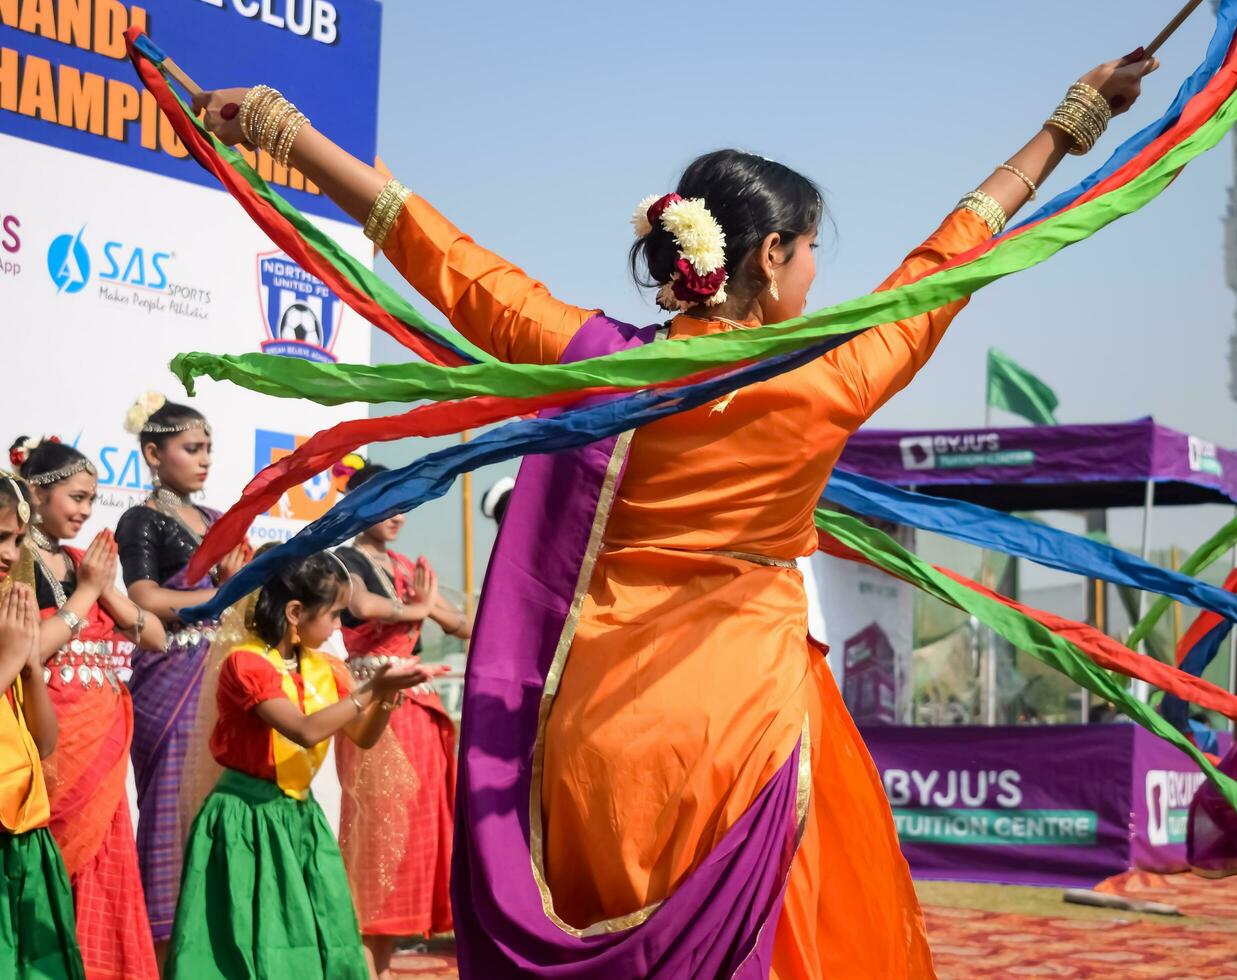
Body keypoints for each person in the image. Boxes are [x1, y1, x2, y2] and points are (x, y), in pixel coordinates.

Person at [192, 53, 1156, 976]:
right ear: (771, 253)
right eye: (813, 249)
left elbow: (438, 251)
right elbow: (954, 254)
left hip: (600, 741)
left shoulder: (596, 357)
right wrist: (1068, 121)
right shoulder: (838, 373)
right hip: (748, 730)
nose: (817, 272)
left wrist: (284, 133)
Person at [165, 552, 446, 980]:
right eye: (333, 615)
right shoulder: (246, 665)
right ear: (295, 612)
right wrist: (371, 688)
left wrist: (388, 694)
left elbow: (364, 735)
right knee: (248, 937)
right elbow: (305, 730)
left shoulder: (323, 668)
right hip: (246, 821)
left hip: (300, 818)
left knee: (321, 931)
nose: (338, 628)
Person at [15, 440, 164, 980]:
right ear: (35, 492)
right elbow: (24, 650)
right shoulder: (17, 562)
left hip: (100, 747)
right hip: (53, 741)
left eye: (91, 500)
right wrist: (86, 598)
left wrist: (106, 589)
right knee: (55, 864)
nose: (83, 510)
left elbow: (157, 638)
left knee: (104, 866)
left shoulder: (81, 562)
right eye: (75, 497)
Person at [113, 393, 250, 957]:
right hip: (169, 673)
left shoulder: (218, 521)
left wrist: (243, 578)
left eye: (209, 449)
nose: (205, 459)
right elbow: (142, 595)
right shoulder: (141, 519)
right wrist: (222, 591)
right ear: (152, 453)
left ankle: (220, 943)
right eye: (191, 448)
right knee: (172, 806)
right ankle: (166, 952)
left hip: (221, 671)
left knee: (225, 800)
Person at [333, 462, 467, 976]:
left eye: (404, 502)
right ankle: (364, 967)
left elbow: (456, 622)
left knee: (412, 843)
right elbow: (364, 605)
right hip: (376, 711)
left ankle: (383, 968)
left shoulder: (410, 568)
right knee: (377, 840)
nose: (398, 514)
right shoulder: (343, 561)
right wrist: (418, 610)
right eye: (388, 501)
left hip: (420, 715)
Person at [0, 474, 85, 979]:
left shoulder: (6, 615)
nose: (10, 555)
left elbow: (43, 741)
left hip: (25, 835)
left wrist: (30, 668)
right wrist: (10, 660)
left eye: (15, 540)